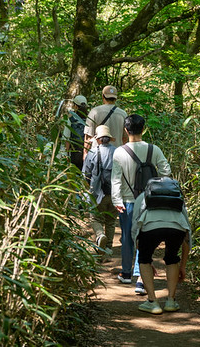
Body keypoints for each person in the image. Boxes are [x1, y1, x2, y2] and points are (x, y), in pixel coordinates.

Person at [111, 114, 171, 286]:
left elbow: (115, 179)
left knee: (127, 238)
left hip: (128, 202)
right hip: (149, 201)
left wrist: (117, 200)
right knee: (145, 238)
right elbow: (166, 172)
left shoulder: (119, 152)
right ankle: (141, 277)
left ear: (125, 130)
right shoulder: (155, 149)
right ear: (143, 129)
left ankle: (127, 273)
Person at [131, 185, 191, 314]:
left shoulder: (142, 197)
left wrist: (146, 261)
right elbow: (187, 236)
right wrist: (183, 266)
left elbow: (135, 230)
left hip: (150, 227)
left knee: (144, 259)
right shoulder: (177, 199)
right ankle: (171, 301)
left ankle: (152, 302)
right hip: (177, 228)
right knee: (172, 258)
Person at [82, 124, 117, 259]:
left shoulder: (92, 153)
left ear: (98, 139)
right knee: (111, 220)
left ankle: (100, 235)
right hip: (113, 192)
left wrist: (88, 190)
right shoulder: (117, 152)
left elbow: (85, 174)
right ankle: (108, 247)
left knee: (95, 217)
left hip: (97, 193)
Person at [84, 85, 128, 157]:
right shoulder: (123, 114)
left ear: (103, 96)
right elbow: (125, 137)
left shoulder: (94, 112)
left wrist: (85, 154)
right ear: (115, 98)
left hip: (97, 155)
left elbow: (88, 137)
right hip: (116, 154)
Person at [62, 95, 88, 171]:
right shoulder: (89, 118)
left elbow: (67, 138)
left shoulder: (71, 119)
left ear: (75, 106)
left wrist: (66, 155)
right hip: (87, 153)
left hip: (75, 153)